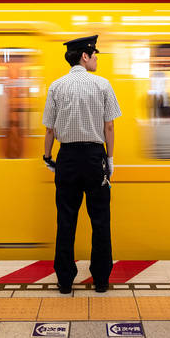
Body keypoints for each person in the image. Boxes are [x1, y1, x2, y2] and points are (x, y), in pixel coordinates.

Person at [42, 35, 121, 294]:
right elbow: (109, 126)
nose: (96, 58)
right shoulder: (102, 85)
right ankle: (100, 279)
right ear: (84, 56)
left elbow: (50, 129)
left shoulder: (56, 86)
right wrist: (109, 161)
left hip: (66, 158)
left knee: (66, 219)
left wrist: (48, 157)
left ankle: (65, 280)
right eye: (94, 54)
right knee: (100, 219)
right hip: (94, 158)